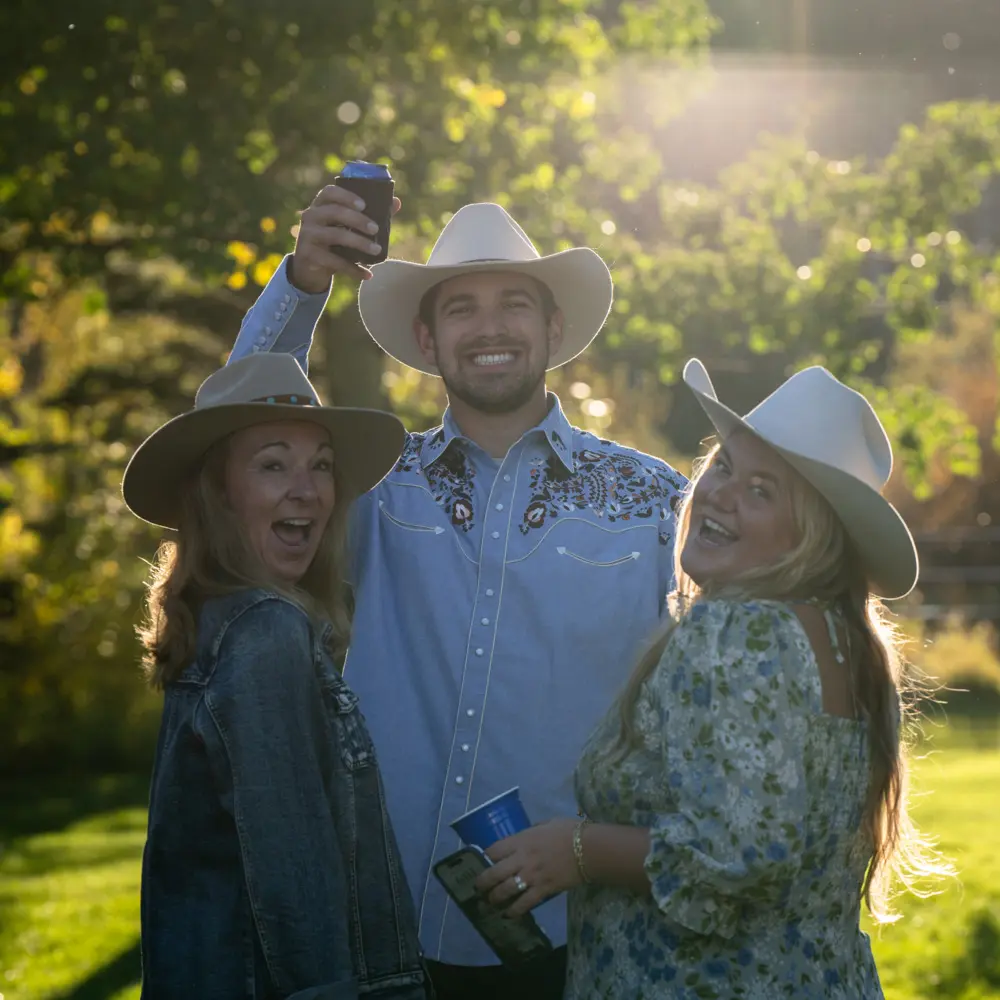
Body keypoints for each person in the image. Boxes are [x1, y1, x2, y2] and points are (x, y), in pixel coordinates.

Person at [228, 183, 688, 998]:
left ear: (553, 329)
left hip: (589, 938)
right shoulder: (369, 486)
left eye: (515, 302)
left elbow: (698, 714)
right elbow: (245, 428)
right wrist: (302, 284)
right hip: (385, 925)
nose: (490, 326)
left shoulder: (653, 500)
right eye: (462, 308)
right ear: (426, 337)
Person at [475, 358, 953, 998]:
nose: (722, 492)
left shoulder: (740, 631)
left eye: (762, 490)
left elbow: (738, 852)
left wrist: (579, 850)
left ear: (811, 537)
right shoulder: (848, 647)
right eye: (724, 466)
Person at [123, 353, 431, 999]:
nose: (308, 489)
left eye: (321, 464)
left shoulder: (220, 620)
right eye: (272, 464)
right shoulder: (264, 633)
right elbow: (295, 878)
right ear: (219, 496)